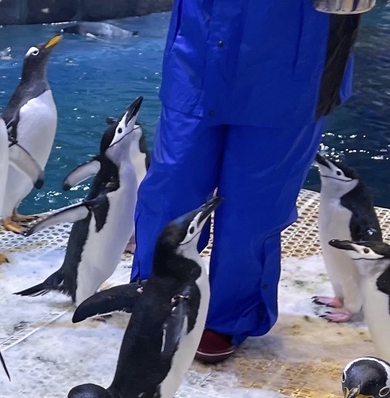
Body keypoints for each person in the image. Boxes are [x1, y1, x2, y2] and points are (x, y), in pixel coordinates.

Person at [132, 0, 363, 364]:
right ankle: (159, 293)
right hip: (199, 47)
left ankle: (228, 314)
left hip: (291, 58)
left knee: (253, 207)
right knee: (171, 186)